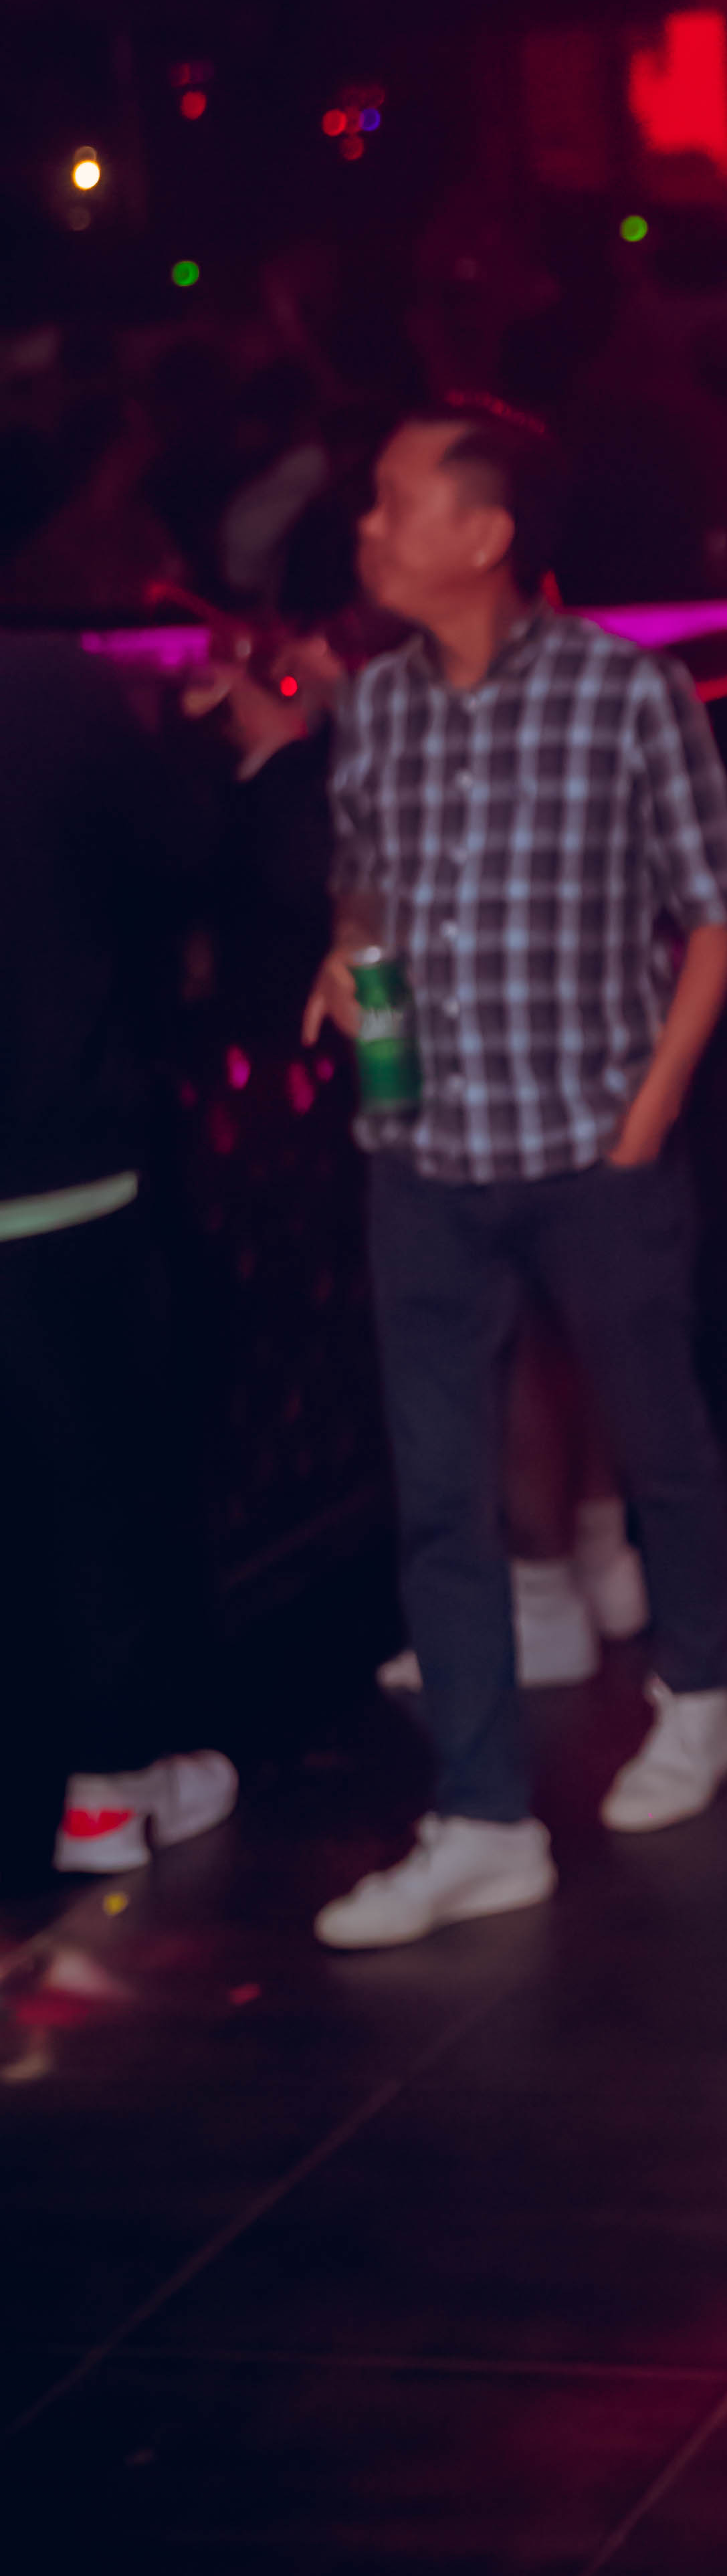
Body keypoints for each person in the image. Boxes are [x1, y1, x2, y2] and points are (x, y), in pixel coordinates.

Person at [305, 401, 727, 1952]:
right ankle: (482, 1819)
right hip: (426, 1156)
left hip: (590, 1143)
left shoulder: (625, 693)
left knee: (658, 1437)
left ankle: (700, 1697)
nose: (367, 529)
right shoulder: (375, 706)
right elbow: (364, 877)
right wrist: (346, 949)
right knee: (440, 1497)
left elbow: (718, 908)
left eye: (393, 502)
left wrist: (650, 1109)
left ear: (484, 535)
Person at [0, 631, 235, 1890]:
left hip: (55, 1167)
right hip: (59, 1170)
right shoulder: (52, 689)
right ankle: (106, 1792)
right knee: (97, 1486)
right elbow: (180, 855)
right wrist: (215, 737)